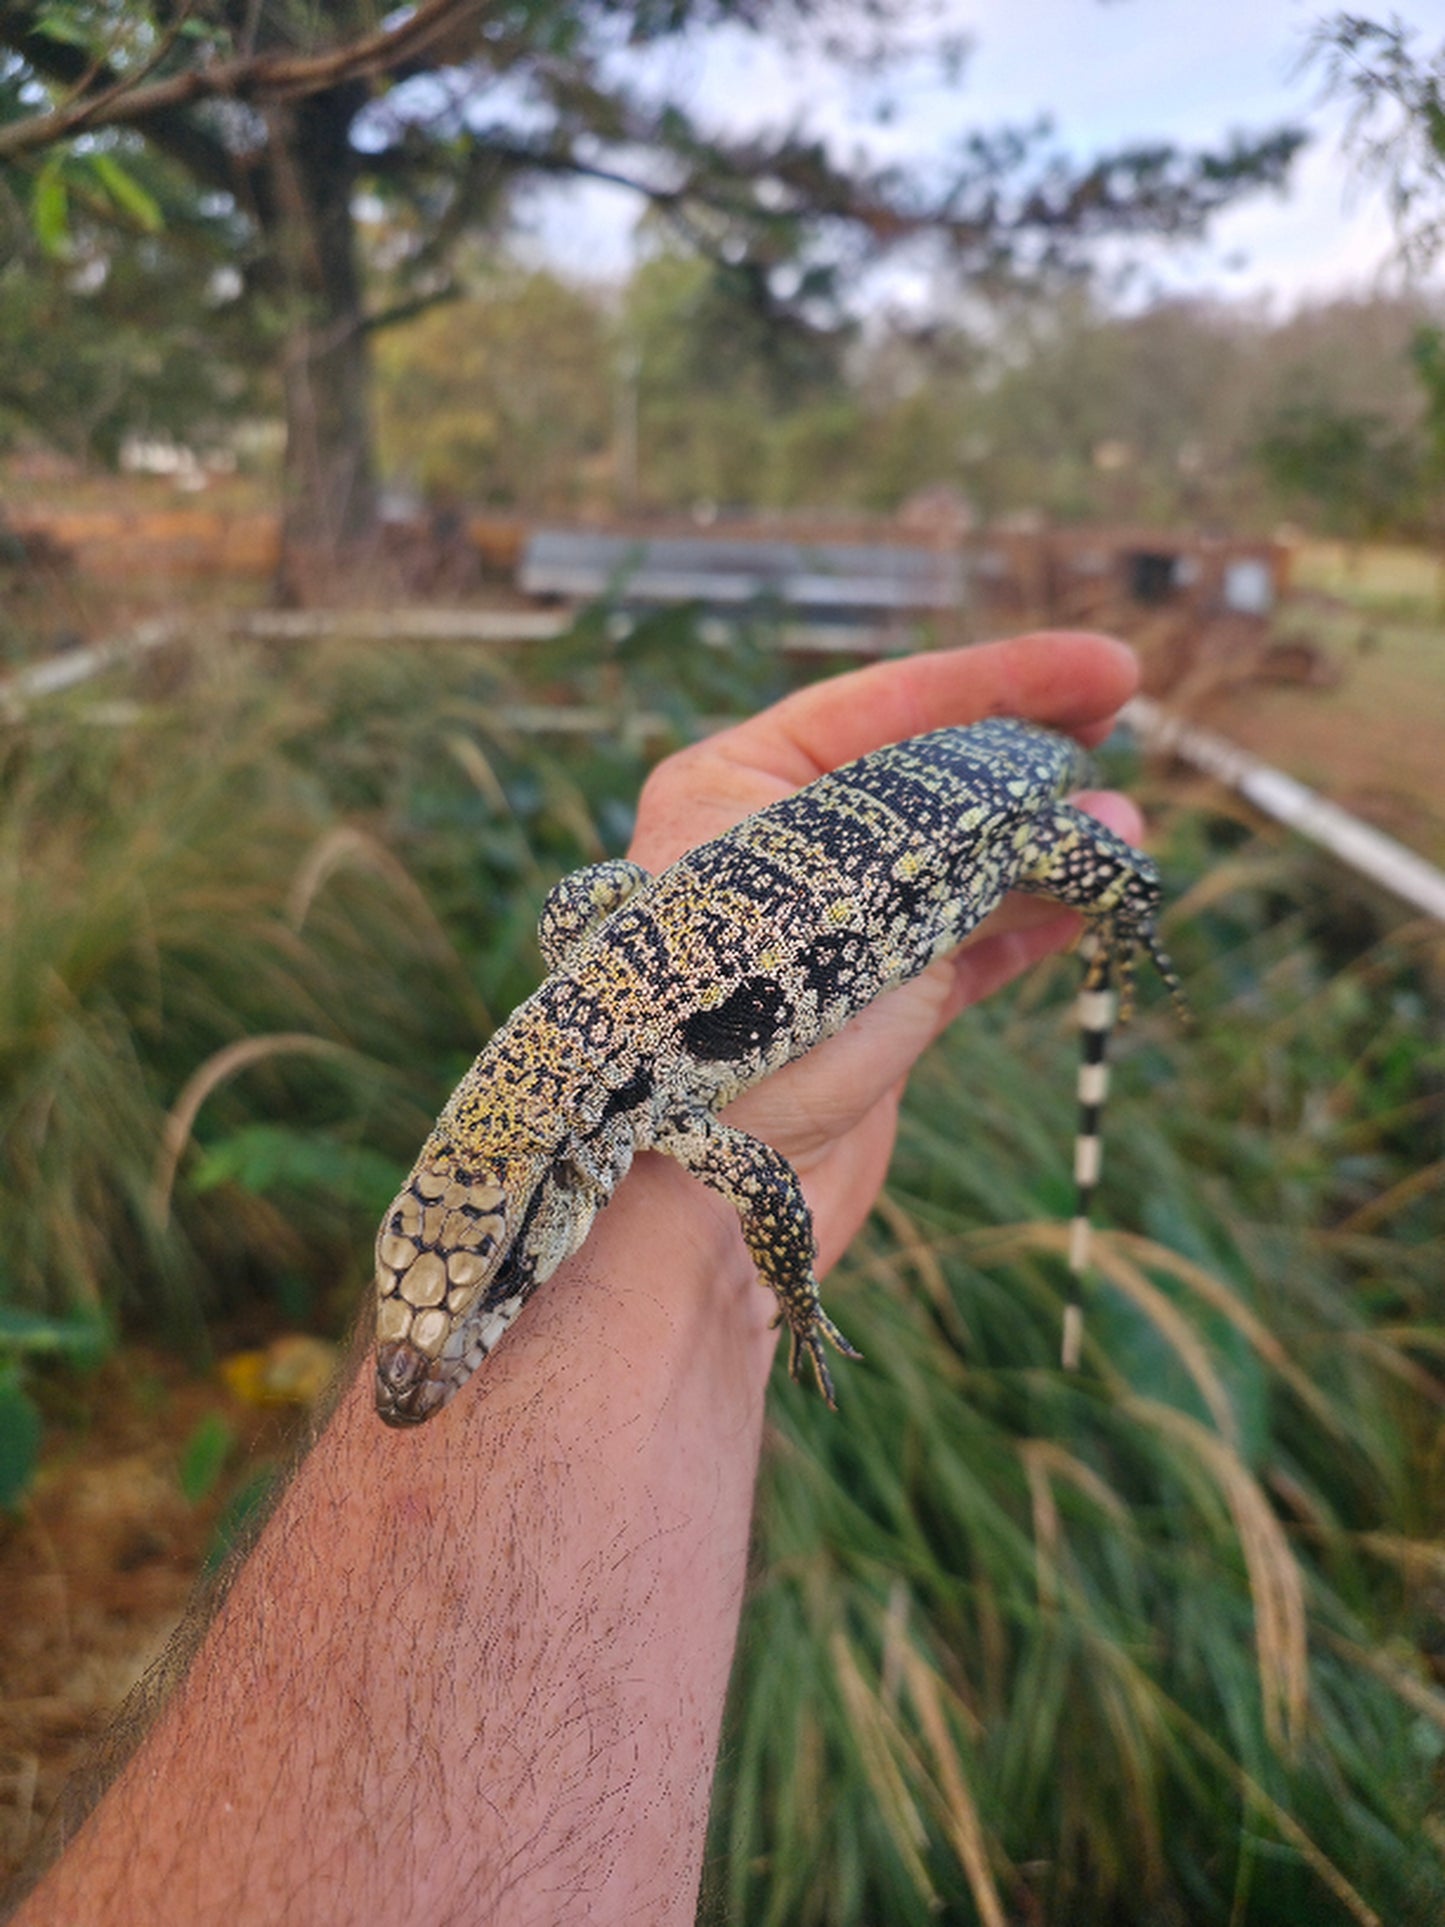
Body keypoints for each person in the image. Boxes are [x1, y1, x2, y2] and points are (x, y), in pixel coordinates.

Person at [11, 630, 1146, 1926]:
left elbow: (764, 1176)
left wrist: (791, 1296)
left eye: (492, 1288)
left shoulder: (661, 1101)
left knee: (1096, 864)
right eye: (424, 1287)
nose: (430, 1353)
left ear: (555, 1200)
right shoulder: (611, 1077)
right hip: (906, 799)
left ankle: (1126, 907)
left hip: (991, 804)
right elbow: (594, 911)